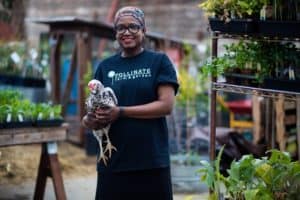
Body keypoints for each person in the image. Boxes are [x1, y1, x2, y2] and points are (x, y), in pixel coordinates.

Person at [82, 6, 179, 200]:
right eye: (120, 28)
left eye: (133, 26)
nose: (126, 32)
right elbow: (93, 108)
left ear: (144, 30)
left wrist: (121, 112)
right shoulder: (105, 66)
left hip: (150, 162)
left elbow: (166, 106)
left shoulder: (158, 62)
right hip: (112, 162)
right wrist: (91, 120)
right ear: (115, 33)